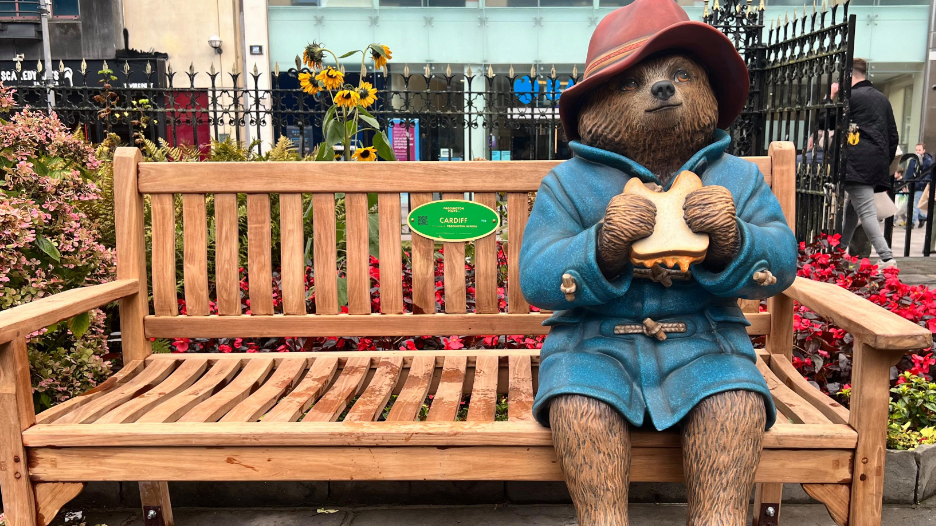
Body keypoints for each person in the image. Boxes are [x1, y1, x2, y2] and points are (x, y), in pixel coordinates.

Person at [834, 58, 900, 268]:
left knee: (866, 212)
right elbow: (893, 135)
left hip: (855, 162)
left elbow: (826, 122)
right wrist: (882, 161)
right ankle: (840, 250)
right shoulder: (882, 99)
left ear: (849, 75)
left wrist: (833, 96)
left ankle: (887, 258)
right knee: (853, 209)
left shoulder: (850, 98)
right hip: (875, 163)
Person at [906, 143, 934, 228]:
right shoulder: (913, 161)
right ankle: (922, 217)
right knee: (912, 203)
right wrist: (905, 182)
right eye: (916, 150)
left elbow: (929, 174)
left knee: (915, 204)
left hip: (921, 186)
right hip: (912, 185)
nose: (917, 152)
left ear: (924, 151)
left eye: (919, 150)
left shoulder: (928, 161)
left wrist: (921, 183)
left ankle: (912, 222)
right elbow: (908, 172)